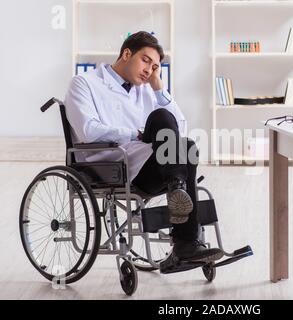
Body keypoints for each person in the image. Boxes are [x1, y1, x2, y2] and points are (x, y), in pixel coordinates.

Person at [65, 31, 223, 263]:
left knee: (183, 141)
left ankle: (177, 192)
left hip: (149, 166)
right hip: (111, 167)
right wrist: (136, 134)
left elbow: (180, 127)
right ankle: (185, 240)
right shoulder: (85, 83)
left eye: (155, 67)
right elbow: (88, 130)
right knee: (168, 129)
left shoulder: (146, 90)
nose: (149, 70)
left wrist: (158, 88)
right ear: (127, 54)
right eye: (146, 61)